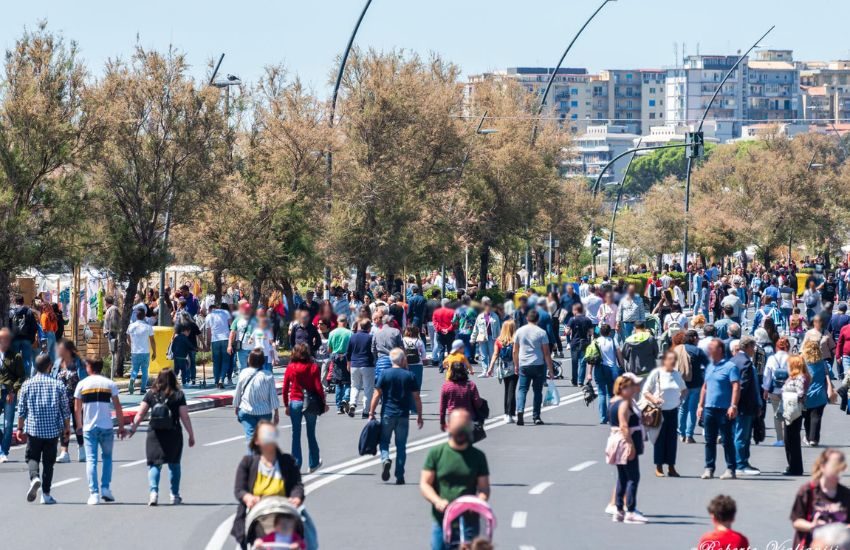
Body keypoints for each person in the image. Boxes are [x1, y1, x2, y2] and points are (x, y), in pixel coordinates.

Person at [230, 421, 316, 550]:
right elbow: (239, 489)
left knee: (306, 532)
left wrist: (296, 497)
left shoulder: (287, 461)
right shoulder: (248, 463)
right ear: (257, 440)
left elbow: (297, 485)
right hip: (258, 512)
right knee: (255, 534)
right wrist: (248, 497)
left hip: (284, 509)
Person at [420, 409, 490, 550]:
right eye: (458, 429)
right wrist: (437, 501)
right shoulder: (437, 453)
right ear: (448, 427)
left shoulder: (477, 456)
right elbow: (425, 484)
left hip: (469, 522)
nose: (461, 433)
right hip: (442, 520)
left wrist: (478, 502)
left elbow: (484, 488)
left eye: (464, 429)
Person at [128, 369, 195, 505]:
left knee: (154, 464)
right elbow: (185, 416)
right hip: (173, 432)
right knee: (174, 465)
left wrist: (133, 428)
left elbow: (140, 414)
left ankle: (153, 493)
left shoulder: (151, 394)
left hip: (154, 433)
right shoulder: (178, 395)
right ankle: (174, 495)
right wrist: (191, 434)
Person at [16, 354, 70, 504]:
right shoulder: (58, 385)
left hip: (34, 430)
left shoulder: (27, 384)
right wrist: (67, 427)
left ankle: (34, 477)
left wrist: (20, 428)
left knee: (32, 457)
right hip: (52, 430)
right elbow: (65, 410)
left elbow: (21, 410)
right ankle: (46, 494)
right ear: (49, 367)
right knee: (48, 462)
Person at [74, 358, 126, 505]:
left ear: (89, 367)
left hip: (89, 427)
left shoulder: (82, 384)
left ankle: (93, 493)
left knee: (91, 459)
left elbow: (77, 408)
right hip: (106, 426)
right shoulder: (109, 384)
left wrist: (79, 425)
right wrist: (121, 426)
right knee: (107, 458)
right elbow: (117, 406)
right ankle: (105, 488)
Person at [368, 348, 423, 485]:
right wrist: (419, 415)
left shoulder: (385, 374)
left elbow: (377, 394)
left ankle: (385, 458)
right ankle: (400, 475)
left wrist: (371, 412)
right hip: (403, 415)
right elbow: (416, 398)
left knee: (384, 441)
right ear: (403, 359)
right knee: (401, 446)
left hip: (387, 413)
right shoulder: (409, 375)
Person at [697, 339, 740, 480]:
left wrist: (733, 405)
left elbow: (735, 386)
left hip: (724, 409)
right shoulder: (709, 367)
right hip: (709, 408)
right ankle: (709, 468)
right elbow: (705, 386)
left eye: (712, 348)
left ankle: (730, 468)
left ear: (720, 350)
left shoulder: (730, 367)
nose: (709, 350)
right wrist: (700, 405)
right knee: (709, 441)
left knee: (727, 440)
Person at [791, 449, 850, 549]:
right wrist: (812, 526)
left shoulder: (846, 494)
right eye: (835, 467)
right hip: (811, 545)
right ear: (823, 467)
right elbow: (796, 521)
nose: (838, 471)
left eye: (841, 467)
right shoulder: (808, 491)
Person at [609, 373, 647, 524]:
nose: (636, 388)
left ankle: (619, 510)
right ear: (624, 387)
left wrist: (644, 419)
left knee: (623, 477)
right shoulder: (624, 403)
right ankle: (630, 510)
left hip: (617, 440)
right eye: (633, 385)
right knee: (633, 476)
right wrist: (630, 445)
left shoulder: (614, 401)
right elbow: (624, 425)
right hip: (626, 441)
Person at [282, 344, 327, 473]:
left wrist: (286, 404)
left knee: (295, 434)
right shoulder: (312, 367)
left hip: (295, 402)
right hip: (310, 402)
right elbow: (318, 387)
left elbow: (285, 388)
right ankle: (313, 463)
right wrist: (323, 402)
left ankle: (296, 463)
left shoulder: (290, 367)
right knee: (311, 434)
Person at [642, 350, 686, 478]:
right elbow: (646, 391)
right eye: (670, 359)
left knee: (672, 440)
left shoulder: (677, 374)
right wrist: (654, 399)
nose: (672, 362)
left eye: (674, 360)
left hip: (673, 411)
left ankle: (671, 467)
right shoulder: (657, 374)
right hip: (659, 412)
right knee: (659, 439)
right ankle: (659, 467)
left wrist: (681, 399)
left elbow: (684, 390)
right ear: (664, 361)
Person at [513, 308, 555, 426]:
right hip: (538, 364)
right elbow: (546, 353)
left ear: (527, 318)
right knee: (537, 391)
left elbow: (515, 351)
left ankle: (520, 410)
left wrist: (516, 365)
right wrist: (550, 370)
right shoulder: (541, 332)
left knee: (522, 389)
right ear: (538, 319)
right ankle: (536, 416)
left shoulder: (519, 331)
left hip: (524, 364)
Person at [730, 336, 763, 476]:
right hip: (744, 406)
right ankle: (740, 464)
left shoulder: (733, 360)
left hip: (737, 405)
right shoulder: (746, 363)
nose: (754, 350)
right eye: (753, 347)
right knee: (742, 436)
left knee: (739, 435)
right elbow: (743, 386)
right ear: (747, 347)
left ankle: (742, 461)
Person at [234, 349, 280, 443]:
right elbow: (273, 396)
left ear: (249, 360)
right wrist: (276, 413)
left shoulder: (244, 373)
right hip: (264, 412)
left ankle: (253, 455)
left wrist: (236, 406)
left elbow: (238, 392)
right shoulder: (268, 375)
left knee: (251, 437)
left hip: (247, 410)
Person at [54, 340, 86, 463]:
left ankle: (82, 448)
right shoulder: (57, 363)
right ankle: (64, 452)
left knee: (79, 424)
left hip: (77, 399)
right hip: (62, 401)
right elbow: (53, 379)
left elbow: (83, 381)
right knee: (64, 426)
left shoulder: (79, 363)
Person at [588, 323, 623, 424]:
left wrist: (589, 373)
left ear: (600, 332)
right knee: (611, 394)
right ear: (609, 332)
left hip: (599, 368)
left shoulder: (595, 341)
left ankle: (603, 418)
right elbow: (619, 353)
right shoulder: (613, 340)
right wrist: (622, 365)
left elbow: (591, 358)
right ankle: (611, 416)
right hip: (612, 369)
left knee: (601, 393)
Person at [678, 330, 709, 444]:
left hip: (681, 383)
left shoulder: (678, 349)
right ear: (694, 338)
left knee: (682, 408)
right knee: (692, 410)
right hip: (696, 383)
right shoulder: (697, 351)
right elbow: (708, 365)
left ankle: (681, 433)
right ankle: (689, 435)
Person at [802, 339, 834, 447]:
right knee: (816, 417)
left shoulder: (803, 362)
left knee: (807, 417)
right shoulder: (823, 363)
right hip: (820, 394)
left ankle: (807, 436)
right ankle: (814, 439)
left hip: (806, 394)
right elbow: (830, 374)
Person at [0, 327, 26, 463]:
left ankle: (3, 452)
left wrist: (12, 391)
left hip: (8, 393)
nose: (3, 341)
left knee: (8, 424)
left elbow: (21, 377)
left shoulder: (16, 356)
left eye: (6, 339)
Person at [784, 355, 810, 476]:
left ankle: (795, 467)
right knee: (789, 439)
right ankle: (792, 465)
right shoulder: (793, 377)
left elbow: (800, 394)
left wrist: (788, 395)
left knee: (792, 439)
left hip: (795, 410)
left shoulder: (799, 378)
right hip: (789, 409)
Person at [439, 360, 483, 432]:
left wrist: (442, 422)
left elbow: (442, 407)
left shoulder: (446, 386)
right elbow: (477, 403)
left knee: (455, 441)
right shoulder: (471, 385)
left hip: (453, 418)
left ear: (451, 372)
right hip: (468, 417)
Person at [762, 337, 791, 447]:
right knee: (788, 414)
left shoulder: (772, 358)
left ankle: (780, 439)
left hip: (774, 390)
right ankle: (788, 437)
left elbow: (767, 375)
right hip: (788, 390)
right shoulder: (791, 358)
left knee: (777, 415)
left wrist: (765, 389)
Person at [488, 320, 518, 422]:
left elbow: (495, 354)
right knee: (512, 390)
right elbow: (515, 353)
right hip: (513, 367)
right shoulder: (515, 340)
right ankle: (510, 414)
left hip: (503, 368)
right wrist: (517, 366)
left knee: (507, 389)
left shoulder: (499, 340)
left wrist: (490, 367)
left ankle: (506, 413)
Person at [346, 318, 376, 419]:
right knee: (368, 388)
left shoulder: (353, 337)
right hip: (367, 364)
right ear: (369, 327)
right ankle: (366, 411)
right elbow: (373, 351)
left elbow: (348, 352)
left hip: (354, 364)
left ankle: (353, 403)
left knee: (354, 386)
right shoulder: (370, 337)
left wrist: (348, 363)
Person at [126, 308, 156, 395]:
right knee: (145, 371)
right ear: (144, 316)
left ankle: (132, 379)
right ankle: (143, 389)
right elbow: (152, 341)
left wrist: (131, 345)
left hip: (135, 351)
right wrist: (154, 352)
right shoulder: (148, 327)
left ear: (136, 316)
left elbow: (128, 338)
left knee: (135, 369)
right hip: (145, 351)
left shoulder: (131, 326)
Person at [565, 302, 594, 386]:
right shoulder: (587, 320)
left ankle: (574, 380)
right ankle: (580, 381)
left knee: (574, 363)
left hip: (574, 343)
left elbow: (567, 332)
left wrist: (567, 330)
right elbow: (591, 332)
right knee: (583, 362)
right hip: (585, 342)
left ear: (575, 310)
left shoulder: (572, 319)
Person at [470, 297, 500, 377]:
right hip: (482, 338)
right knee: (483, 355)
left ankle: (491, 371)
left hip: (492, 338)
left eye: (489, 305)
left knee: (492, 355)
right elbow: (475, 329)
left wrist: (500, 339)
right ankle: (484, 371)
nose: (488, 307)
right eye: (486, 305)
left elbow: (498, 329)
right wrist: (472, 339)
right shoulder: (480, 316)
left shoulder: (495, 316)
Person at [206, 303, 234, 388]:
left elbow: (208, 332)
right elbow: (231, 326)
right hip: (225, 338)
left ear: (210, 309)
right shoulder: (225, 312)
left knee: (216, 362)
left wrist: (208, 344)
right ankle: (222, 378)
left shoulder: (209, 316)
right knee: (225, 360)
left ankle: (216, 380)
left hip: (215, 340)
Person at [9, 295, 38, 375]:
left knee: (15, 358)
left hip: (14, 339)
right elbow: (34, 326)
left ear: (15, 301)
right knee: (27, 359)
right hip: (26, 339)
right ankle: (26, 377)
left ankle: (15, 376)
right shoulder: (28, 311)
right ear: (23, 301)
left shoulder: (11, 312)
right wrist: (31, 339)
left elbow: (8, 326)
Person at [402, 325, 426, 412]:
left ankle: (405, 406)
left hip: (405, 364)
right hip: (417, 364)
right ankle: (414, 408)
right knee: (416, 386)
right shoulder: (419, 341)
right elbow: (423, 354)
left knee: (405, 386)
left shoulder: (403, 340)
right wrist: (424, 360)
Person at [230, 303, 257, 371]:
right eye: (246, 309)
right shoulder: (237, 319)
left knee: (253, 368)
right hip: (242, 348)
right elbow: (232, 332)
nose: (247, 311)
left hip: (253, 348)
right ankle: (244, 381)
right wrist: (229, 345)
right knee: (243, 368)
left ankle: (251, 381)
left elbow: (261, 332)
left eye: (248, 309)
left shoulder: (256, 320)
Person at [432, 298, 456, 368]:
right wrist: (448, 329)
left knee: (441, 349)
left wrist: (441, 329)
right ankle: (450, 365)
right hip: (450, 332)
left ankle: (441, 366)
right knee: (450, 349)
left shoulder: (436, 312)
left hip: (440, 332)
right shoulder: (452, 311)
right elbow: (455, 323)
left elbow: (435, 323)